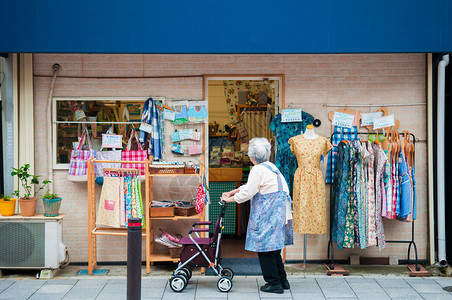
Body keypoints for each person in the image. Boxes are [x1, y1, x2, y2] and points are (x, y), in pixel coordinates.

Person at [221, 137, 293, 294]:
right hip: (280, 211)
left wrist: (230, 199)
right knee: (274, 248)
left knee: (265, 247)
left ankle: (273, 283)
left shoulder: (257, 169)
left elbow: (248, 192)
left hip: (270, 212)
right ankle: (282, 280)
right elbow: (250, 186)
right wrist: (232, 192)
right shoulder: (270, 166)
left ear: (251, 156)